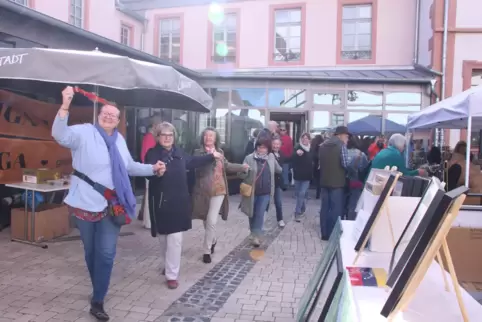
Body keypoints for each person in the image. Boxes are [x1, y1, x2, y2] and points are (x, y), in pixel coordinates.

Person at [52, 86, 166, 321]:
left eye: (113, 115)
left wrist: (152, 169)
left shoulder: (119, 140)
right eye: (105, 113)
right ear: (98, 114)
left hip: (113, 204)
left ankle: (98, 300)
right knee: (90, 252)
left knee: (105, 253)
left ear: (118, 120)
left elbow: (129, 166)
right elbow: (60, 136)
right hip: (84, 202)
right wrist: (65, 105)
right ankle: (98, 287)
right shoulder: (84, 132)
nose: (109, 116)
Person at [145, 122, 223, 289]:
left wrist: (211, 156)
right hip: (160, 202)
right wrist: (155, 172)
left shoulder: (179, 152)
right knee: (163, 239)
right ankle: (167, 264)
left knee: (175, 240)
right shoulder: (152, 154)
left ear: (174, 137)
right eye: (164, 135)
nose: (167, 138)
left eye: (170, 135)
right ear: (158, 137)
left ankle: (172, 275)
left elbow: (193, 161)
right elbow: (147, 173)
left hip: (179, 202)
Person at [191, 127, 248, 264]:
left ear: (215, 139)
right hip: (203, 191)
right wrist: (210, 156)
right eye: (206, 136)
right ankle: (213, 240)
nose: (208, 138)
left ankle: (206, 251)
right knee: (205, 220)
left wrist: (242, 167)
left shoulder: (220, 152)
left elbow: (227, 166)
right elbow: (195, 165)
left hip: (219, 190)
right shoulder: (198, 153)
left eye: (211, 136)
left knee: (211, 220)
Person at [239, 136, 282, 247]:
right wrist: (244, 170)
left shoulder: (271, 157)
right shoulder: (249, 158)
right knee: (251, 214)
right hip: (252, 192)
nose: (261, 150)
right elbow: (240, 174)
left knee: (260, 213)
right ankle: (254, 234)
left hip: (265, 192)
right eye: (259, 147)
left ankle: (256, 236)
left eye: (263, 148)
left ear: (268, 148)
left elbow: (279, 170)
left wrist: (278, 159)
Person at [318, 126, 350, 241]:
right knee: (335, 209)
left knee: (325, 208)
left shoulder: (322, 146)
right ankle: (332, 234)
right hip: (337, 183)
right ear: (340, 135)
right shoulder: (341, 146)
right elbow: (346, 164)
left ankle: (324, 233)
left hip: (324, 182)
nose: (347, 139)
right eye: (347, 136)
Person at [138, 115, 162, 228]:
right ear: (154, 125)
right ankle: (148, 222)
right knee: (149, 195)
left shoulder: (152, 137)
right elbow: (146, 155)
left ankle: (150, 221)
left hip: (152, 168)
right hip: (150, 169)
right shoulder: (149, 137)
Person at [346, 135, 369, 220]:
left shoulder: (344, 152)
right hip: (356, 182)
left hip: (344, 181)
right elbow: (364, 168)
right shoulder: (361, 154)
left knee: (343, 203)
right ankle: (350, 221)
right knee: (353, 204)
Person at [291, 133, 313, 222]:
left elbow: (313, 159)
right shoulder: (297, 148)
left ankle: (297, 212)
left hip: (307, 176)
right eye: (303, 138)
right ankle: (302, 208)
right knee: (299, 194)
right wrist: (296, 154)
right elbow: (292, 158)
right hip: (298, 175)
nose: (305, 140)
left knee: (302, 193)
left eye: (306, 138)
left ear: (309, 140)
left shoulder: (311, 149)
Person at [271, 137, 287, 227]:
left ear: (280, 145)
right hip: (269, 182)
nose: (276, 146)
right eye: (274, 143)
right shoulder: (269, 154)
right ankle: (262, 219)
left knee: (278, 202)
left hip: (277, 182)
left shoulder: (281, 154)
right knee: (266, 202)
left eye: (277, 144)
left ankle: (280, 219)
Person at [311, 135, 323, 199]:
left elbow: (313, 156)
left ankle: (318, 193)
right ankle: (319, 192)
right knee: (320, 180)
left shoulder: (314, 146)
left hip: (315, 165)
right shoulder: (322, 146)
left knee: (318, 180)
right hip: (321, 165)